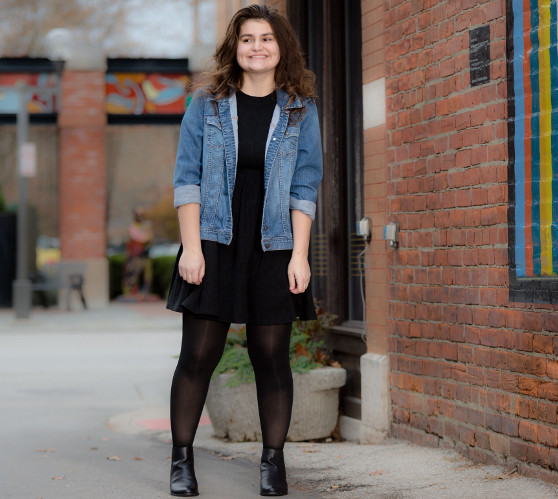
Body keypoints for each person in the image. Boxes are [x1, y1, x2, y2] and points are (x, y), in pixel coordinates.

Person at [165, 4, 322, 497]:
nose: (257, 47)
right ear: (235, 47)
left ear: (282, 48)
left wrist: (300, 255)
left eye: (267, 38)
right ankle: (182, 461)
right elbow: (187, 177)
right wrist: (192, 248)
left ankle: (273, 463)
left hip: (273, 242)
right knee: (199, 353)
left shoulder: (299, 109)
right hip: (213, 239)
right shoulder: (206, 103)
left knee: (271, 356)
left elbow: (304, 186)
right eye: (248, 38)